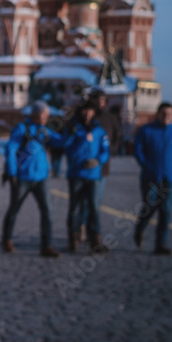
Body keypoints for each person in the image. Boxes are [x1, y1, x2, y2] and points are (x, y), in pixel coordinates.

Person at [1, 101, 64, 258]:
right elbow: (10, 149)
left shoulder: (44, 131)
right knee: (14, 209)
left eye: (48, 115)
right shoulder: (22, 129)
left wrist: (74, 133)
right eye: (45, 115)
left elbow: (61, 141)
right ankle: (6, 240)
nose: (47, 118)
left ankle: (46, 245)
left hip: (41, 177)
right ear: (36, 114)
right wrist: (12, 172)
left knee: (48, 211)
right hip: (22, 177)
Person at [133, 102, 172, 255]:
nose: (166, 116)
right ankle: (139, 229)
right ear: (158, 114)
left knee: (165, 210)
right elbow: (138, 150)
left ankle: (160, 244)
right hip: (150, 177)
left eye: (169, 114)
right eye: (164, 113)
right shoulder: (147, 130)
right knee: (150, 206)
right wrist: (147, 166)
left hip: (169, 178)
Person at [63, 99, 110, 253]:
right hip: (76, 173)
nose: (87, 113)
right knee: (75, 208)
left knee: (94, 208)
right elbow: (67, 148)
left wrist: (98, 161)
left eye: (90, 110)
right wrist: (80, 139)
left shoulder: (99, 130)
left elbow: (105, 151)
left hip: (93, 175)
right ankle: (73, 236)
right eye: (84, 110)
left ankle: (95, 239)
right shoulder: (74, 128)